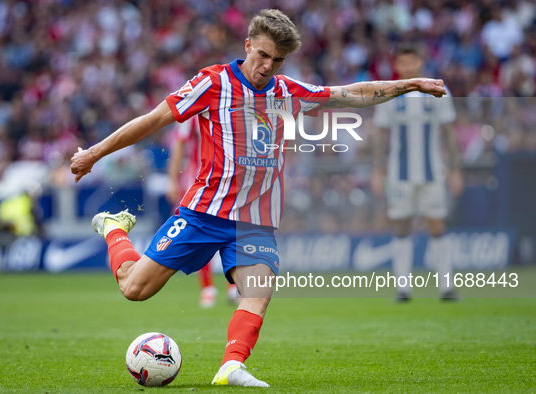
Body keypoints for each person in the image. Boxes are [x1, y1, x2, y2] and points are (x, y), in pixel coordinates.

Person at [71, 9, 447, 387]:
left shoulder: (287, 92)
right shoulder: (212, 82)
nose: (268, 66)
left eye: (278, 60)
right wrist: (94, 153)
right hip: (204, 213)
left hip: (255, 221)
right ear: (247, 45)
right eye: (262, 55)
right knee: (135, 289)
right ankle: (115, 229)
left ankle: (231, 366)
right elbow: (153, 120)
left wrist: (411, 83)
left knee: (258, 291)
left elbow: (350, 95)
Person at [371, 43, 463, 302]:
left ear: (421, 61)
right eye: (403, 61)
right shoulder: (389, 93)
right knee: (401, 225)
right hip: (399, 174)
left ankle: (446, 287)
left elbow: (448, 133)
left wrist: (455, 170)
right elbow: (380, 135)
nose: (409, 66)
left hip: (432, 172)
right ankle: (403, 289)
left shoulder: (439, 90)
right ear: (397, 65)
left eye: (413, 60)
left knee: (436, 224)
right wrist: (377, 172)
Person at [166, 116, 238, 308]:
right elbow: (180, 144)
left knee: (231, 228)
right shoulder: (193, 111)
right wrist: (173, 179)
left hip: (229, 181)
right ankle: (207, 288)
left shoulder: (233, 103)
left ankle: (232, 285)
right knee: (203, 231)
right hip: (199, 182)